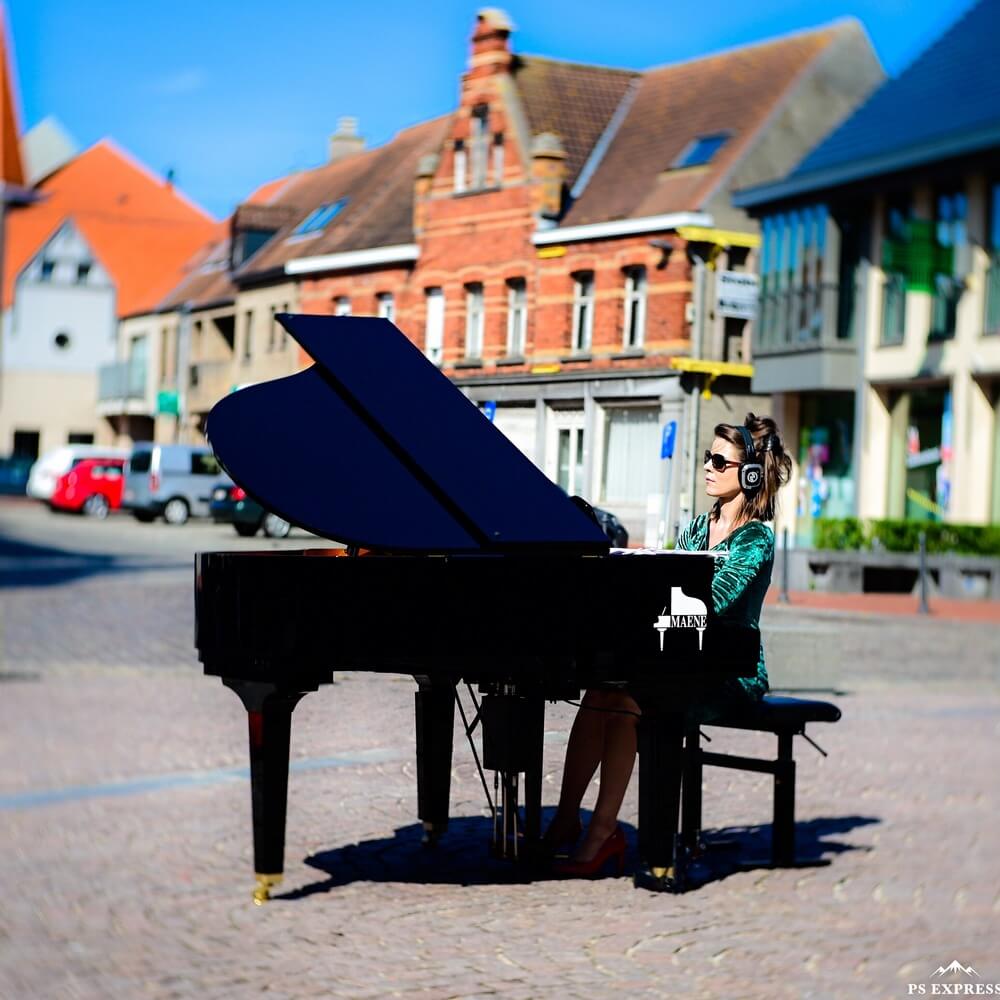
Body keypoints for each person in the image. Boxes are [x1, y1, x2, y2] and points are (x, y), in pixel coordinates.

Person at [545, 412, 793, 876]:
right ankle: (564, 820)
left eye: (720, 461)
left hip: (730, 671)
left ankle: (603, 835)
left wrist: (656, 596)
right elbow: (668, 581)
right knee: (601, 691)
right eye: (707, 458)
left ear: (751, 473)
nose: (707, 467)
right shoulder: (699, 527)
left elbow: (713, 601)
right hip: (682, 655)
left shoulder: (755, 538)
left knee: (627, 699)